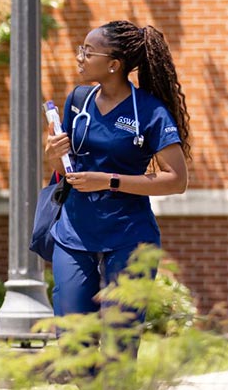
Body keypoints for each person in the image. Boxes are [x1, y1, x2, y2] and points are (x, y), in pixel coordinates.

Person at [43, 20, 191, 358]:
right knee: (70, 341)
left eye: (87, 52)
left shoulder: (150, 112)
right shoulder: (78, 100)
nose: (79, 57)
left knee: (118, 345)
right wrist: (52, 156)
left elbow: (177, 180)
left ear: (113, 65)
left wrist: (108, 180)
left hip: (128, 236)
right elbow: (62, 169)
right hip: (74, 233)